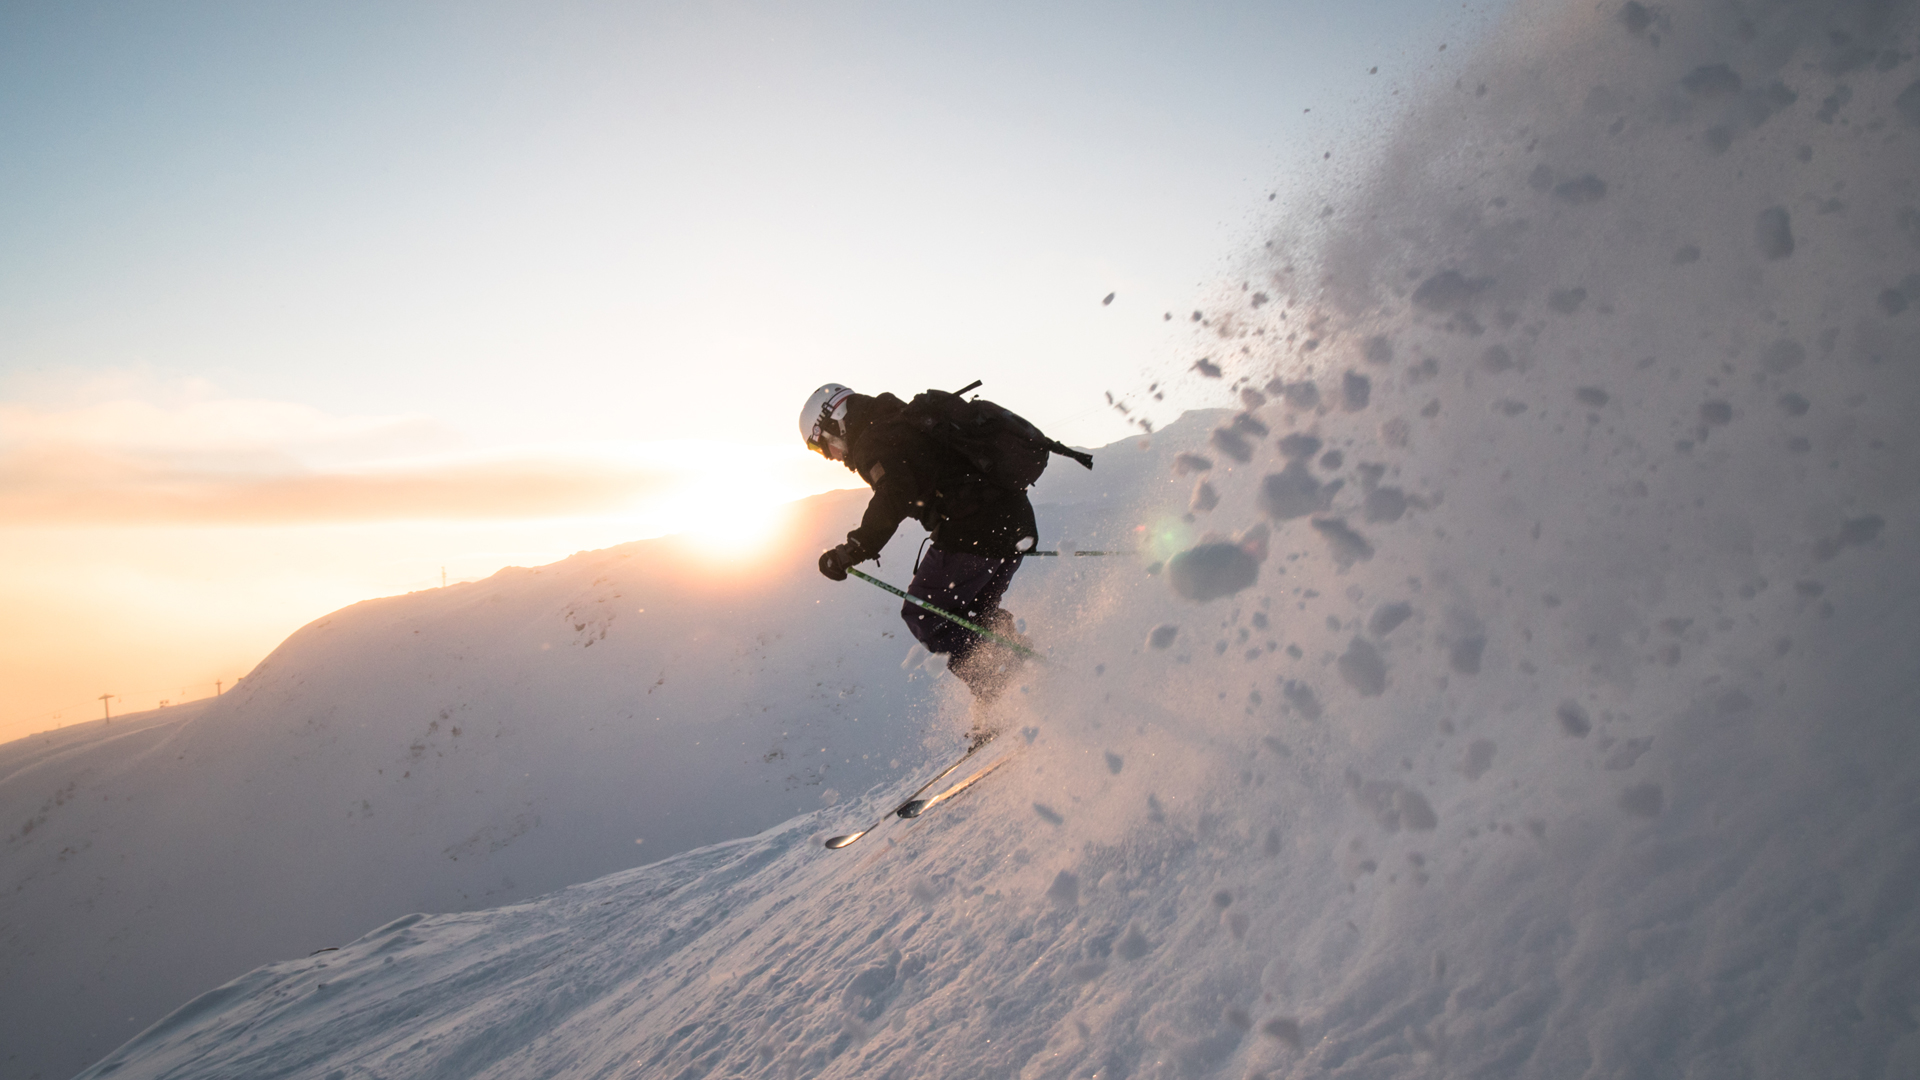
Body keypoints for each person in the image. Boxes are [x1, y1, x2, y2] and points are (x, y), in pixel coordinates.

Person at [800, 382, 1068, 712]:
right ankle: (1027, 682)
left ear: (834, 422)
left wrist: (853, 549)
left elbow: (894, 494)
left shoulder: (873, 439)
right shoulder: (904, 419)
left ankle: (1000, 692)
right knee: (974, 616)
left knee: (924, 612)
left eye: (822, 447)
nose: (832, 457)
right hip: (1015, 523)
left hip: (974, 532)